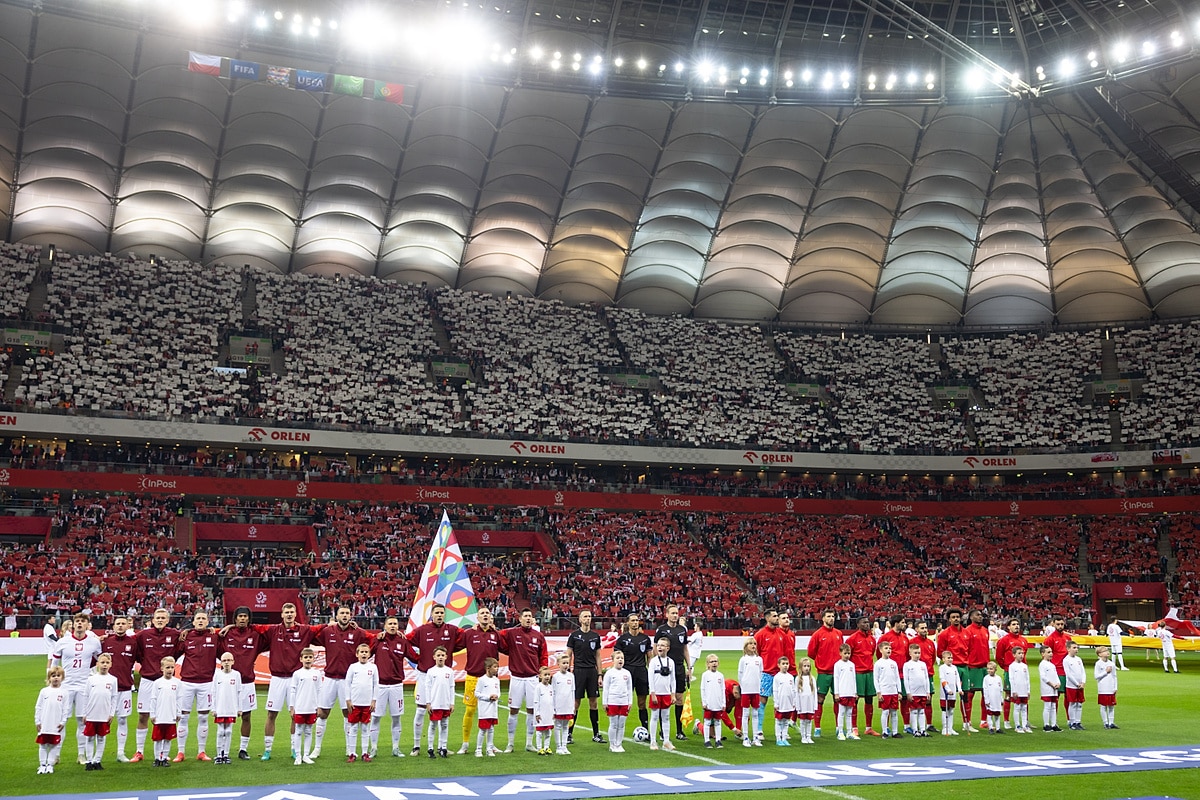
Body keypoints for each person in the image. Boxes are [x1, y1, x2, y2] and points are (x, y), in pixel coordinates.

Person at [238, 602, 325, 761]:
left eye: (292, 612)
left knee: (295, 715)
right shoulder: (273, 630)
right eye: (287, 612)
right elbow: (251, 626)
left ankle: (294, 749)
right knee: (271, 714)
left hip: (295, 678)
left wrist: (331, 624)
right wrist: (227, 628)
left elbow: (321, 628)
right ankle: (268, 750)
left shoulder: (305, 630)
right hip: (277, 679)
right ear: (282, 615)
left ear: (295, 614)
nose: (290, 614)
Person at [312, 606, 372, 760]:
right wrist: (326, 625)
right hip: (330, 678)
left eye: (347, 613)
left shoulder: (358, 633)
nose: (344, 616)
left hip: (348, 680)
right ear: (336, 615)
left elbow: (373, 640)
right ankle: (317, 748)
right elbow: (310, 634)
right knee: (322, 713)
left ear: (350, 616)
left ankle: (349, 748)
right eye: (342, 613)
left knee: (348, 714)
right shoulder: (328, 632)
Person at [407, 603, 461, 756]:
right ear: (432, 615)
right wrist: (416, 658)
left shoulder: (452, 630)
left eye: (442, 613)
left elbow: (465, 638)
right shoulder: (422, 630)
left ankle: (442, 747)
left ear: (444, 615)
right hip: (424, 675)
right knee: (421, 710)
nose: (439, 615)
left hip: (443, 676)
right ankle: (417, 745)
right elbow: (406, 640)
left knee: (444, 712)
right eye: (436, 613)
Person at [52, 612, 102, 765]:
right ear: (73, 624)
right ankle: (56, 754)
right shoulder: (62, 642)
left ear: (87, 625)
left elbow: (100, 661)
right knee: (61, 721)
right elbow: (55, 663)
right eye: (78, 621)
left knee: (82, 721)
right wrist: (54, 682)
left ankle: (81, 754)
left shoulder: (94, 642)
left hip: (83, 686)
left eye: (83, 621)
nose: (80, 624)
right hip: (65, 686)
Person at [132, 608, 181, 763]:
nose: (160, 620)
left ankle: (162, 753)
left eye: (163, 618)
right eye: (157, 617)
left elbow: (181, 647)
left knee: (166, 717)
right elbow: (134, 647)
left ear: (168, 620)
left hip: (166, 682)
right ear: (152, 620)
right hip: (147, 680)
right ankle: (139, 751)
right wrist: (145, 663)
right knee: (143, 715)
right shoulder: (143, 635)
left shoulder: (174, 634)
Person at [217, 606, 265, 760]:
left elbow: (272, 629)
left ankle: (243, 749)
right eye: (240, 616)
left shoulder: (255, 635)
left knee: (246, 716)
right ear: (235, 618)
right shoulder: (227, 634)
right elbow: (211, 635)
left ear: (249, 619)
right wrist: (228, 627)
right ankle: (222, 751)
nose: (243, 619)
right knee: (224, 718)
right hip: (227, 683)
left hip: (247, 682)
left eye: (245, 616)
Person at [500, 607, 548, 753]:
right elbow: (498, 638)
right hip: (516, 678)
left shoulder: (538, 636)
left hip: (532, 679)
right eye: (525, 616)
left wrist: (543, 669)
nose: (528, 618)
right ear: (520, 619)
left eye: (530, 616)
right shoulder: (512, 633)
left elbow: (543, 655)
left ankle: (529, 742)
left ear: (533, 620)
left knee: (532, 711)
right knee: (513, 710)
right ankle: (510, 743)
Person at [173, 609, 218, 762]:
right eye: (198, 618)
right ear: (193, 622)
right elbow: (173, 655)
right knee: (183, 717)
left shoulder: (214, 637)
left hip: (206, 683)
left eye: (203, 619)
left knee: (203, 717)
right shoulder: (186, 637)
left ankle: (201, 751)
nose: (200, 621)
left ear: (207, 622)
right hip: (186, 682)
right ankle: (180, 752)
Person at [371, 615, 418, 758]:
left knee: (396, 717)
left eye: (395, 624)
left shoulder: (402, 641)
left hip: (397, 685)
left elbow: (415, 658)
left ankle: (396, 748)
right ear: (384, 626)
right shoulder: (378, 640)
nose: (393, 626)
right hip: (380, 686)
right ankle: (373, 748)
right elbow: (365, 654)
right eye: (390, 624)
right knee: (376, 718)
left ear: (398, 627)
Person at [458, 607, 504, 753]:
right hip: (473, 677)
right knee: (470, 710)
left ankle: (490, 745)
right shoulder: (469, 633)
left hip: (491, 680)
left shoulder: (496, 635)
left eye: (487, 613)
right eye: (482, 613)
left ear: (490, 617)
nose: (485, 615)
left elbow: (508, 648)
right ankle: (465, 744)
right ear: (477, 618)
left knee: (491, 712)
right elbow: (455, 645)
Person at [101, 616, 137, 762]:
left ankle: (120, 753)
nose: (121, 626)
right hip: (106, 689)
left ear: (128, 626)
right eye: (118, 624)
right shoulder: (106, 642)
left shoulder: (133, 643)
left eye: (123, 623)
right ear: (113, 626)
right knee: (102, 721)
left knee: (122, 720)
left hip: (124, 688)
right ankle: (98, 754)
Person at [565, 608, 604, 744]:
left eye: (589, 616)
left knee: (593, 702)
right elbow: (568, 654)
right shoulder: (574, 636)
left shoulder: (595, 636)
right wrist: (568, 672)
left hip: (592, 672)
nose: (588, 619)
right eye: (585, 616)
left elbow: (598, 657)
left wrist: (600, 674)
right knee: (575, 703)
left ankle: (596, 733)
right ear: (580, 619)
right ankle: (569, 734)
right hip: (578, 672)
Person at [653, 603, 691, 741]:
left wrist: (689, 667)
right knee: (664, 699)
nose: (675, 615)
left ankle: (679, 731)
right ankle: (663, 731)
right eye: (673, 613)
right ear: (667, 615)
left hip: (679, 667)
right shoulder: (661, 630)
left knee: (679, 699)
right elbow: (655, 647)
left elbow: (685, 649)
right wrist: (657, 664)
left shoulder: (682, 630)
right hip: (665, 668)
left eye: (677, 613)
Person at [806, 609, 843, 738]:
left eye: (833, 616)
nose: (831, 618)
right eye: (828, 616)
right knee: (820, 699)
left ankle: (839, 727)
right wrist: (822, 661)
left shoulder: (839, 633)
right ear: (823, 619)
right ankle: (817, 727)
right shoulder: (818, 634)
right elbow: (811, 652)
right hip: (823, 672)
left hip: (837, 673)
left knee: (837, 699)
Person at [613, 613, 653, 729]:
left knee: (642, 703)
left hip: (641, 672)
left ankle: (645, 729)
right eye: (633, 620)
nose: (635, 622)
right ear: (628, 623)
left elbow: (649, 656)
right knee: (624, 702)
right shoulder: (622, 639)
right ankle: (619, 728)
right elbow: (616, 656)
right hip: (626, 673)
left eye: (637, 620)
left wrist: (649, 670)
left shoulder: (645, 639)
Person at [936, 609, 971, 731]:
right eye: (953, 617)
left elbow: (969, 649)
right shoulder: (945, 634)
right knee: (949, 697)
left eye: (957, 616)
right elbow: (940, 652)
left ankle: (966, 723)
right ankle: (947, 727)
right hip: (951, 668)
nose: (956, 619)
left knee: (965, 695)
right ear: (949, 619)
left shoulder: (967, 633)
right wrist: (948, 663)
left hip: (964, 666)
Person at [752, 609, 785, 739]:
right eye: (775, 616)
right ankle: (759, 729)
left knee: (781, 701)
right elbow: (756, 652)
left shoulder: (781, 633)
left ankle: (782, 729)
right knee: (762, 701)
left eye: (777, 616)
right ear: (767, 618)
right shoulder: (760, 635)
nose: (777, 618)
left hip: (780, 673)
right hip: (766, 672)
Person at [82, 652, 118, 770]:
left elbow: (114, 697)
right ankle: (89, 761)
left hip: (104, 714)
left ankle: (97, 760)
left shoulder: (113, 680)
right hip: (92, 714)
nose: (104, 665)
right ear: (97, 664)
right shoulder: (91, 679)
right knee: (90, 737)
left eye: (107, 663)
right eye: (102, 662)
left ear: (111, 665)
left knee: (101, 738)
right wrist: (84, 713)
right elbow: (85, 696)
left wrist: (111, 713)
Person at [344, 642, 379, 762]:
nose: (364, 654)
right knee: (353, 728)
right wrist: (348, 700)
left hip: (367, 704)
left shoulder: (373, 667)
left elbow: (376, 684)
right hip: (355, 703)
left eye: (366, 652)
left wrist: (374, 700)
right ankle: (352, 753)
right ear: (357, 654)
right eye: (361, 652)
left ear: (369, 654)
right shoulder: (353, 667)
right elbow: (347, 684)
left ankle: (365, 753)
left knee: (365, 728)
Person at [993, 617, 1030, 730]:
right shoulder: (1004, 640)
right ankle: (1007, 721)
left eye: (1017, 624)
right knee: (1009, 695)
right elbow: (999, 657)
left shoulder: (1023, 640)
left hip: (1022, 672)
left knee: (1024, 696)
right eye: (1013, 624)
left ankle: (1025, 721)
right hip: (1010, 671)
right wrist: (1006, 667)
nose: (1016, 626)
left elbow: (1024, 654)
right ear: (1008, 627)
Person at [845, 615, 879, 736]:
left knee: (869, 699)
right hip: (858, 673)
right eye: (864, 622)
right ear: (858, 624)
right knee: (855, 700)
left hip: (869, 672)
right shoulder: (852, 639)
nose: (867, 624)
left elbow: (872, 653)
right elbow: (848, 656)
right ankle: (854, 727)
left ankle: (868, 727)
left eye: (868, 622)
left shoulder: (872, 639)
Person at [288, 648, 322, 766]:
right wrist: (292, 707)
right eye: (306, 657)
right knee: (298, 731)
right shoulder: (297, 674)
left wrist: (319, 706)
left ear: (313, 659)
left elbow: (319, 690)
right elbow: (293, 691)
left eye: (310, 657)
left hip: (312, 707)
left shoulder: (317, 673)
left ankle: (306, 755)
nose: (308, 660)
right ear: (301, 659)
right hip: (300, 707)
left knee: (308, 731)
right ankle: (298, 755)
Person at [876, 615, 909, 728]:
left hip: (902, 674)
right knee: (887, 703)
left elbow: (907, 656)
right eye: (903, 622)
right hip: (889, 675)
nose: (904, 625)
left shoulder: (905, 638)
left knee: (904, 700)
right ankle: (886, 728)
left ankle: (906, 725)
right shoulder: (885, 637)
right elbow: (878, 654)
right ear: (896, 623)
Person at [148, 656, 181, 767]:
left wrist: (178, 712)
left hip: (171, 716)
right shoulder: (157, 683)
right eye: (167, 667)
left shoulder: (177, 683)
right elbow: (153, 699)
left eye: (172, 667)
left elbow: (179, 699)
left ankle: (164, 758)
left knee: (168, 738)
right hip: (159, 716)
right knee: (158, 739)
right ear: (162, 668)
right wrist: (152, 714)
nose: (170, 670)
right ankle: (157, 758)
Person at [36, 666, 69, 774]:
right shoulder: (44, 691)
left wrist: (63, 721)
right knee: (43, 745)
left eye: (58, 676)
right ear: (49, 678)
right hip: (44, 723)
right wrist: (37, 721)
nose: (56, 678)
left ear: (62, 678)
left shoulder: (64, 693)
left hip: (56, 724)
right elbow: (38, 707)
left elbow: (66, 709)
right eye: (53, 676)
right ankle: (42, 765)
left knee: (54, 745)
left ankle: (50, 765)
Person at [211, 652, 242, 764]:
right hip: (220, 708)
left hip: (231, 708)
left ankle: (226, 754)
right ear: (221, 663)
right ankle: (219, 755)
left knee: (228, 731)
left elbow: (239, 692)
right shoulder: (217, 675)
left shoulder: (236, 675)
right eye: (224, 660)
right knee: (220, 731)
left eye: (229, 660)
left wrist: (239, 708)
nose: (227, 662)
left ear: (233, 661)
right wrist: (213, 708)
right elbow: (213, 692)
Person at [647, 636, 677, 751]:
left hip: (666, 694)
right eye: (658, 645)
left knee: (666, 718)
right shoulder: (653, 661)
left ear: (668, 648)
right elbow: (650, 678)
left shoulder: (671, 662)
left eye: (662, 645)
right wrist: (652, 693)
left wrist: (672, 694)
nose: (660, 647)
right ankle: (653, 741)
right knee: (654, 717)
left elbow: (673, 679)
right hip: (656, 694)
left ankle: (666, 740)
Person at [425, 645, 455, 759]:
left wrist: (452, 703)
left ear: (446, 657)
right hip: (435, 703)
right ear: (434, 657)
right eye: (438, 655)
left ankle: (443, 747)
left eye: (442, 655)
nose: (440, 657)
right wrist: (428, 702)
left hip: (446, 703)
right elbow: (427, 688)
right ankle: (430, 748)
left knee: (445, 725)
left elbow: (452, 687)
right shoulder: (431, 671)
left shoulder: (449, 671)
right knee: (433, 725)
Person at [963, 610, 991, 729]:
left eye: (981, 615)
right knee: (969, 695)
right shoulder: (967, 631)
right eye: (977, 615)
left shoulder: (985, 631)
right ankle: (967, 722)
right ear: (971, 617)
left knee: (986, 695)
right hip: (972, 666)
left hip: (984, 667)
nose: (980, 617)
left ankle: (984, 720)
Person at [602, 650, 633, 753]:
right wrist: (604, 702)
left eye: (622, 658)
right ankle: (612, 744)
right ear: (613, 660)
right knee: (614, 723)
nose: (620, 660)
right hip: (613, 701)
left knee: (622, 724)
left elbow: (629, 689)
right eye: (618, 658)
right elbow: (606, 688)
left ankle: (619, 744)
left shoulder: (627, 673)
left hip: (623, 701)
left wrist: (630, 702)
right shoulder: (609, 673)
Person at [735, 638, 763, 748]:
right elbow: (740, 674)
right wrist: (743, 686)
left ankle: (756, 737)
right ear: (746, 646)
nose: (753, 646)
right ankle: (746, 737)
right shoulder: (743, 660)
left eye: (754, 644)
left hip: (756, 690)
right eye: (750, 644)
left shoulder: (759, 659)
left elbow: (760, 674)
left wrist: (758, 686)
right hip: (746, 690)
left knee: (755, 713)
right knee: (745, 714)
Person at [873, 641, 901, 738]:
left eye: (889, 648)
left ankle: (895, 731)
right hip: (884, 691)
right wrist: (878, 692)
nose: (888, 650)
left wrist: (899, 691)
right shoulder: (878, 664)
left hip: (893, 691)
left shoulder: (893, 663)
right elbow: (876, 679)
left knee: (894, 711)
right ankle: (884, 731)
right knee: (885, 711)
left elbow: (897, 677)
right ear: (880, 650)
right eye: (886, 648)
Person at [474, 657, 502, 757]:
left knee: (491, 729)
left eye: (497, 667)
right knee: (482, 729)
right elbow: (477, 693)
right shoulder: (481, 680)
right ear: (488, 668)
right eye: (495, 667)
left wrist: (496, 696)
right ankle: (478, 749)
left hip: (493, 709)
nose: (497, 669)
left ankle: (489, 749)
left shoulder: (496, 680)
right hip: (484, 709)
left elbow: (499, 692)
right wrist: (488, 697)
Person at [698, 653, 726, 749]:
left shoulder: (720, 676)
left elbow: (723, 689)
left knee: (718, 722)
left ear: (718, 663)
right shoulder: (705, 675)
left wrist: (723, 703)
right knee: (707, 722)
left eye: (715, 661)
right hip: (709, 703)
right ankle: (707, 740)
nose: (714, 663)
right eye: (712, 661)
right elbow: (703, 689)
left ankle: (718, 740)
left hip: (718, 703)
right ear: (708, 664)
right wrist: (704, 702)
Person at [902, 644, 930, 737]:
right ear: (910, 653)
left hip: (922, 691)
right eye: (915, 653)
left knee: (922, 711)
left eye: (919, 653)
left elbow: (926, 678)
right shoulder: (907, 665)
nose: (917, 655)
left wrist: (928, 691)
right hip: (913, 692)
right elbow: (906, 679)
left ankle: (922, 729)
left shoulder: (923, 664)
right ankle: (914, 729)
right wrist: (908, 692)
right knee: (914, 711)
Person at [551, 653, 576, 755]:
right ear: (558, 664)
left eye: (567, 663)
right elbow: (553, 692)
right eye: (564, 663)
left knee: (566, 726)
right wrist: (553, 707)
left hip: (568, 705)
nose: (566, 665)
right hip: (559, 705)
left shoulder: (571, 676)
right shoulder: (556, 677)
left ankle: (564, 746)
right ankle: (558, 746)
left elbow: (572, 691)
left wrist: (573, 705)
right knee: (558, 726)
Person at [832, 644, 857, 741]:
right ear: (840, 653)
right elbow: (836, 679)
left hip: (850, 692)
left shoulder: (852, 665)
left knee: (849, 712)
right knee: (841, 712)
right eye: (845, 653)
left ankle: (849, 732)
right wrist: (837, 693)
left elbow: (854, 679)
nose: (847, 655)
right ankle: (841, 732)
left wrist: (855, 692)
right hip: (842, 692)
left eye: (848, 653)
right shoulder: (838, 665)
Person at [772, 656, 798, 746]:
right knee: (779, 721)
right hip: (780, 703)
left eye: (787, 664)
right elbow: (775, 691)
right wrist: (776, 702)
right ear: (779, 665)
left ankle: (784, 738)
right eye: (783, 664)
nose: (785, 666)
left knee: (786, 721)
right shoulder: (777, 677)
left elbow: (793, 690)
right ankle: (778, 738)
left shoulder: (790, 677)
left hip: (789, 703)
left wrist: (794, 702)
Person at [1007, 646, 1033, 733]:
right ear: (1014, 655)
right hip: (1017, 691)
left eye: (1022, 653)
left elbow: (1027, 679)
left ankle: (1025, 725)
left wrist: (1028, 690)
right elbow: (1011, 679)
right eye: (1019, 653)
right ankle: (1017, 725)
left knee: (1024, 708)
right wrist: (1013, 691)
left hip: (1024, 690)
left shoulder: (1024, 666)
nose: (1021, 655)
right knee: (1017, 707)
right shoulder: (1012, 666)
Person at [1043, 615, 1072, 691]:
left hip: (1068, 669)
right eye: (1058, 624)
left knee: (1068, 694)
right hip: (1056, 669)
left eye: (1062, 624)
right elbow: (1045, 656)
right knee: (1056, 693)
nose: (1060, 626)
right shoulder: (1050, 639)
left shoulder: (1068, 638)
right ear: (1054, 625)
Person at [937, 650, 963, 736]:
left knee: (951, 711)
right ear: (943, 659)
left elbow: (958, 679)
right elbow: (942, 679)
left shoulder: (954, 668)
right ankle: (945, 728)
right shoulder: (942, 668)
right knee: (945, 710)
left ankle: (950, 728)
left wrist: (959, 689)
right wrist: (948, 690)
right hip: (945, 694)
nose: (950, 659)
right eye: (948, 658)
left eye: (951, 658)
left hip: (953, 693)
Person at [1038, 644, 1062, 731]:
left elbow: (1056, 675)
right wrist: (1052, 684)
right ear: (1043, 654)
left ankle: (1053, 724)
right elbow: (1043, 677)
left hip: (1054, 688)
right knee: (1047, 706)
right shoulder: (1042, 664)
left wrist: (1058, 683)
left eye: (1051, 652)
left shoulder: (1052, 665)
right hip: (1047, 688)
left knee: (1053, 706)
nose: (1051, 654)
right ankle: (1046, 724)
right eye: (1048, 652)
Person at [1063, 641, 1087, 730]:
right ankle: (1072, 722)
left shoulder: (1078, 659)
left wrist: (1083, 682)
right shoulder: (1066, 660)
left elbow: (1083, 671)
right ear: (1068, 649)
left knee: (1079, 704)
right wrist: (1077, 684)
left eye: (1077, 648)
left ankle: (1078, 721)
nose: (1076, 649)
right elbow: (1068, 674)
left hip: (1080, 685)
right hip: (1071, 686)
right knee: (1072, 703)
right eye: (1074, 648)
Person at [1094, 645, 1119, 729]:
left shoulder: (1111, 663)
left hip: (1111, 687)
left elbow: (1114, 676)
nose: (1107, 652)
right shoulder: (1098, 664)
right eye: (1104, 651)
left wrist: (1115, 687)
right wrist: (1105, 672)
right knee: (1103, 705)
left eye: (1107, 650)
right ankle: (1105, 722)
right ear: (1099, 654)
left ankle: (1111, 722)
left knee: (1111, 706)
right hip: (1103, 688)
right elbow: (1096, 676)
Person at [796, 657, 818, 744]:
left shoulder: (812, 678)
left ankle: (808, 736)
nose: (807, 668)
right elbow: (796, 693)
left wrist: (815, 705)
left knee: (809, 721)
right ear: (801, 667)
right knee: (802, 721)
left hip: (810, 704)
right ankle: (803, 736)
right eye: (805, 666)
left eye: (808, 666)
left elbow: (815, 692)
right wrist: (797, 706)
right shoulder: (798, 679)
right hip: (802, 704)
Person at [982, 661, 1005, 734]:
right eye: (988, 669)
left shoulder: (999, 678)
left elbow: (1000, 690)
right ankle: (991, 727)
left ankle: (998, 728)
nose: (989, 670)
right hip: (990, 700)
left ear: (995, 669)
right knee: (989, 714)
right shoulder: (986, 678)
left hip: (997, 699)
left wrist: (1001, 699)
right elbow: (985, 690)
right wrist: (987, 700)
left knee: (997, 714)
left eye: (991, 669)